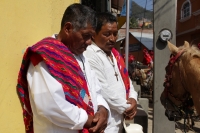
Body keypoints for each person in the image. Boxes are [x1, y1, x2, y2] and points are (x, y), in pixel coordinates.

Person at [16, 3, 110, 133]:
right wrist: (88, 120)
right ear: (68, 29)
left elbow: (95, 90)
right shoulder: (45, 56)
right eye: (86, 35)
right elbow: (49, 106)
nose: (89, 42)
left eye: (91, 37)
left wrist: (103, 109)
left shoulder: (81, 56)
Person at [84, 12, 138, 133]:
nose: (113, 38)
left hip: (120, 121)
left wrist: (133, 98)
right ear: (94, 35)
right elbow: (104, 90)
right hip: (107, 124)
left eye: (115, 34)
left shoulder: (115, 55)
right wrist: (128, 107)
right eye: (107, 34)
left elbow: (127, 81)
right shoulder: (90, 55)